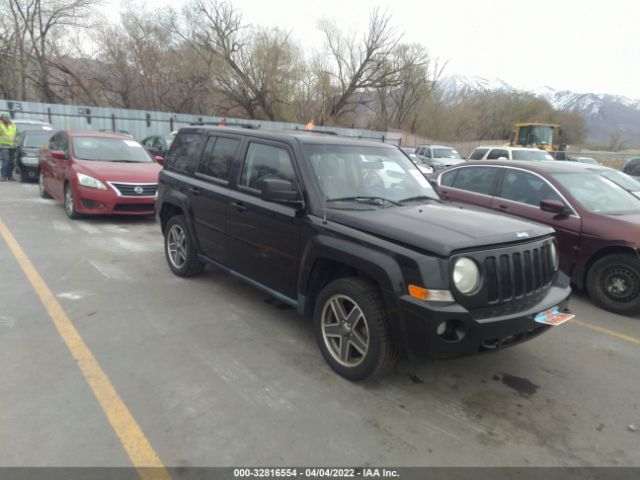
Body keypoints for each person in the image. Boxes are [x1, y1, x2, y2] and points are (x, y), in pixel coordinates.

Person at [0, 112, 17, 181]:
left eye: (8, 118)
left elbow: (16, 134)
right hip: (3, 145)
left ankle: (10, 176)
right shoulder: (0, 125)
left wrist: (16, 141)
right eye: (5, 117)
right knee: (6, 160)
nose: (7, 119)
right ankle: (3, 176)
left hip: (12, 146)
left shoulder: (12, 125)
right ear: (2, 118)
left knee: (11, 162)